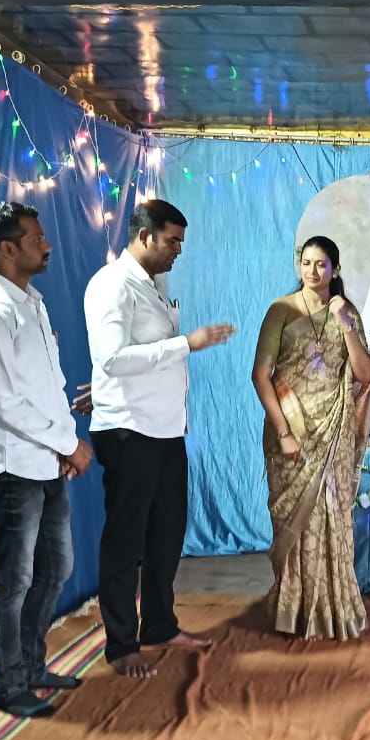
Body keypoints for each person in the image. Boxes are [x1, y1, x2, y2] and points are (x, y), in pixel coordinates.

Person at [83, 199, 235, 677]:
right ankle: (121, 645)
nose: (178, 251)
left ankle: (160, 625)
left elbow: (137, 357)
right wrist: (187, 343)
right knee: (126, 540)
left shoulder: (155, 284)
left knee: (167, 534)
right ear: (144, 236)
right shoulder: (112, 285)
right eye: (172, 241)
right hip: (129, 430)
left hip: (166, 429)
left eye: (181, 242)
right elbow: (111, 359)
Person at [0, 201, 94, 718]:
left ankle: (33, 665)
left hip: (45, 461)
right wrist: (67, 444)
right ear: (7, 249)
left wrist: (64, 443)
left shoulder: (32, 303)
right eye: (37, 238)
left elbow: (48, 388)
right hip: (11, 465)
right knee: (14, 579)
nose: (48, 245)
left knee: (56, 567)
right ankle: (10, 685)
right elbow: (6, 403)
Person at [251, 236, 370, 640]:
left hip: (334, 432)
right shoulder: (281, 310)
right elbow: (261, 375)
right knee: (294, 521)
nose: (312, 271)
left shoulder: (347, 312)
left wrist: (345, 324)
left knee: (334, 519)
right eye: (306, 263)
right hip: (290, 430)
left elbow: (364, 374)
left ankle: (334, 609)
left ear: (334, 269)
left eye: (321, 264)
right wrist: (284, 433)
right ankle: (294, 611)